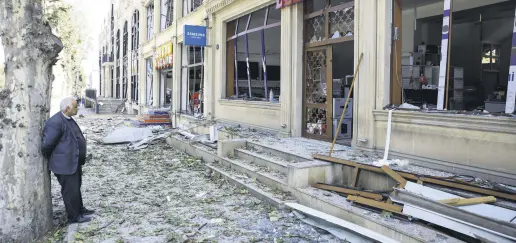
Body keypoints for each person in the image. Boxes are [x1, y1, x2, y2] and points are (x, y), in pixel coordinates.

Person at [41, 97, 94, 224]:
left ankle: (80, 210)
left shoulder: (67, 118)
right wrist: (59, 157)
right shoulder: (55, 122)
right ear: (68, 108)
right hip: (64, 164)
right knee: (69, 191)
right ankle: (74, 217)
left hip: (73, 162)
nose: (78, 109)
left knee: (76, 187)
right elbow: (46, 145)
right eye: (76, 107)